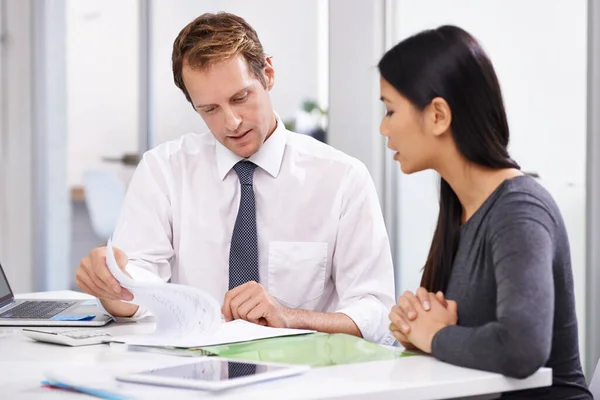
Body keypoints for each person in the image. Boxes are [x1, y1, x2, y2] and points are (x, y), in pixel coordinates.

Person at [75, 12, 395, 345]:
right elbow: (139, 285)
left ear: (268, 74)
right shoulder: (164, 170)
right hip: (193, 378)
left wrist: (290, 318)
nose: (231, 122)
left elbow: (376, 313)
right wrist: (113, 288)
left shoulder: (342, 178)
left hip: (303, 381)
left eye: (240, 98)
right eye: (209, 109)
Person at [380, 25, 591, 398]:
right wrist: (417, 329)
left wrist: (435, 335)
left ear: (438, 116)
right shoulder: (458, 204)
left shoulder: (519, 210)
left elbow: (522, 348)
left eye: (391, 110)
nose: (384, 128)